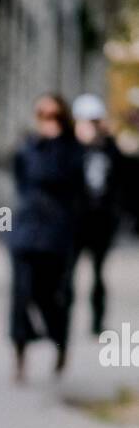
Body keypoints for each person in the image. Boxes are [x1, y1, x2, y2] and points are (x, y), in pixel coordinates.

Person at [7, 94, 85, 381]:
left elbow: (62, 179)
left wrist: (54, 143)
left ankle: (59, 341)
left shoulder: (72, 150)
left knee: (52, 295)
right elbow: (21, 180)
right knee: (20, 295)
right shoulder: (27, 147)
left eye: (53, 116)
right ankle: (20, 353)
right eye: (42, 115)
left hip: (58, 234)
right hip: (26, 231)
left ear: (63, 119)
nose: (47, 121)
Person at [67, 93, 125, 335]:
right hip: (73, 220)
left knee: (99, 273)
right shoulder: (68, 148)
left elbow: (123, 180)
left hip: (101, 219)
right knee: (66, 273)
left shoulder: (110, 148)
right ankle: (63, 322)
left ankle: (97, 321)